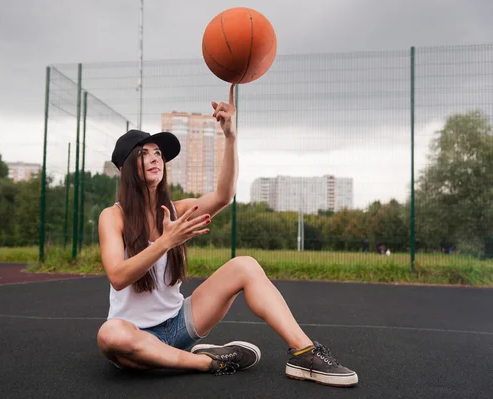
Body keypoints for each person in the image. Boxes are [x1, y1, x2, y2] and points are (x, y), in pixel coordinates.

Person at [96, 84, 358, 387]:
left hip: (179, 324)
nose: (155, 158)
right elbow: (117, 276)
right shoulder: (112, 216)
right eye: (143, 154)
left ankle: (304, 353)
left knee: (244, 265)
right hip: (136, 334)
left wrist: (231, 137)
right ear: (122, 168)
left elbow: (224, 195)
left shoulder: (176, 209)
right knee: (110, 335)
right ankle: (207, 361)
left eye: (158, 153)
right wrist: (166, 242)